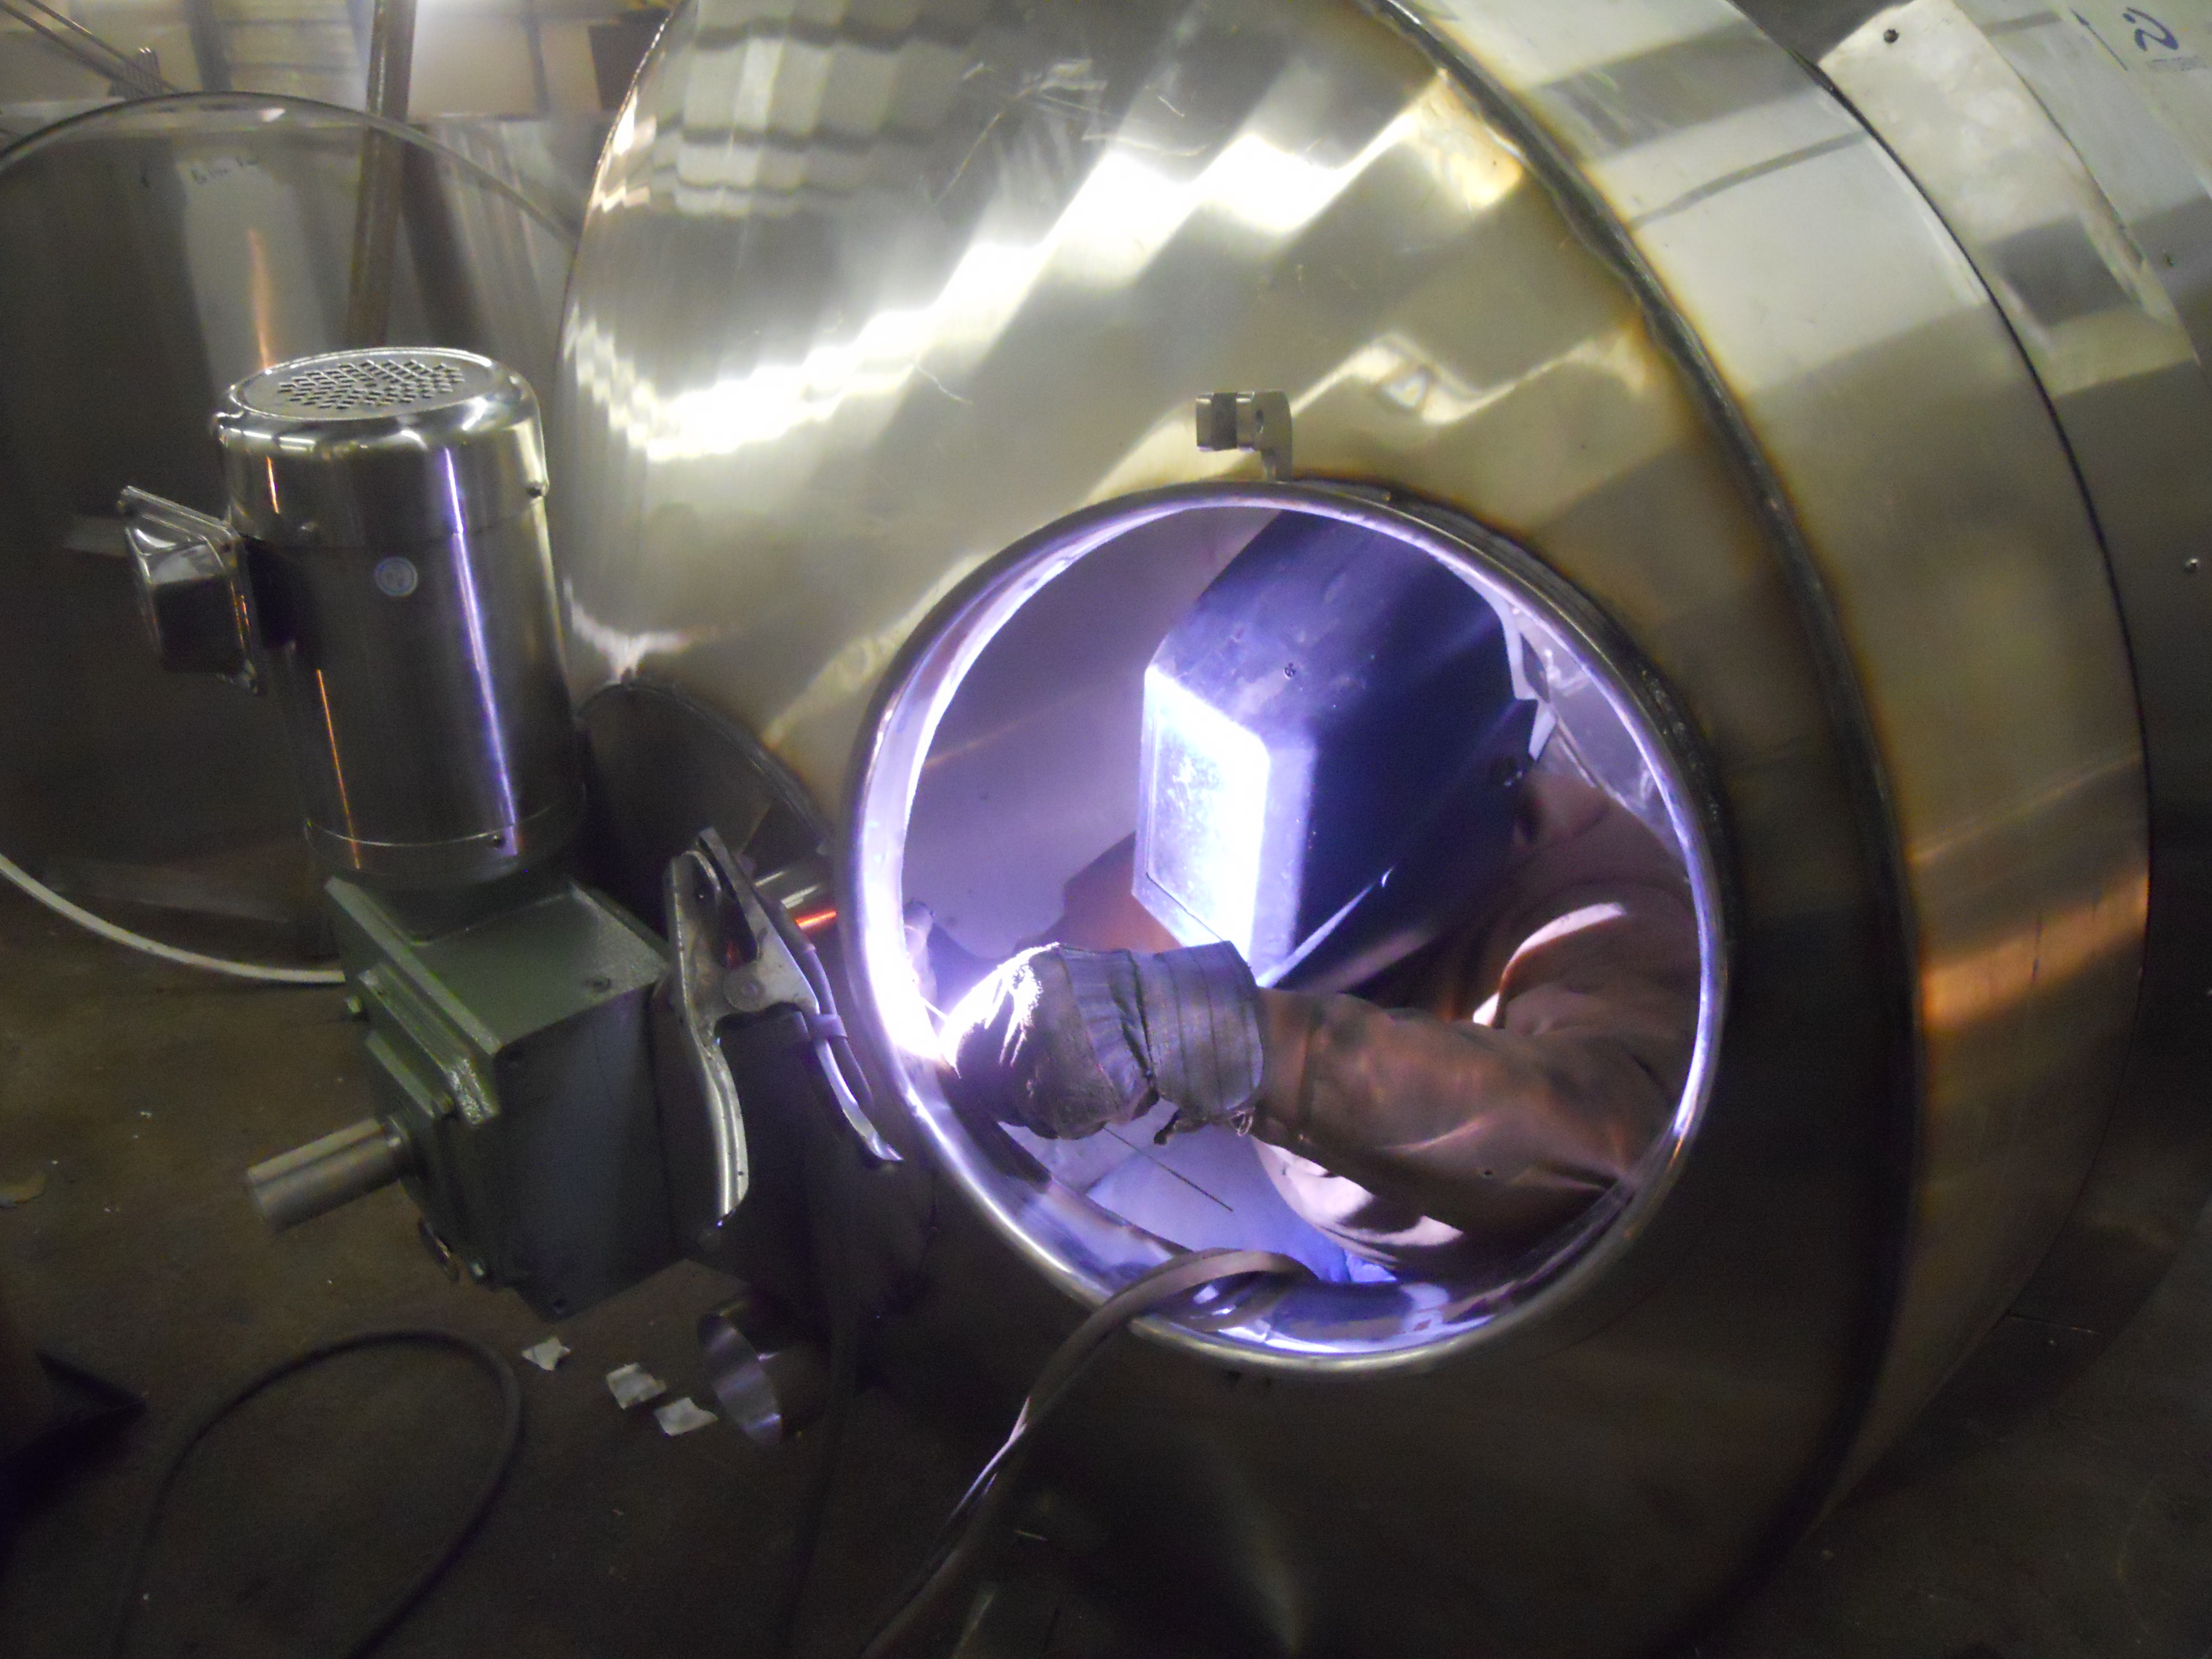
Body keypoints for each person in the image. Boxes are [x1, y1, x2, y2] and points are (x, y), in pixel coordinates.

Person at [931, 520, 1703, 1274]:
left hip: (1478, 1269)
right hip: (1315, 1185)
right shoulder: (1253, 807)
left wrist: (1214, 1037)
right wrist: (992, 990)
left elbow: (1608, 1149)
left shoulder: (1607, 913)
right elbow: (1123, 935)